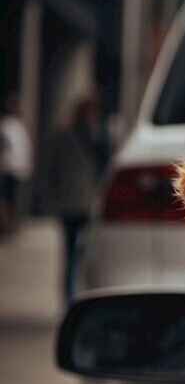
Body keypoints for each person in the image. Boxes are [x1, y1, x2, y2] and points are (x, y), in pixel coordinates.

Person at [45, 90, 108, 302]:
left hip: (74, 202)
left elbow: (51, 169)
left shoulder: (82, 135)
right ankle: (73, 296)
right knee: (77, 252)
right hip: (81, 203)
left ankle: (72, 296)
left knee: (74, 252)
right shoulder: (92, 135)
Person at [0, 93, 33, 234]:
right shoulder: (6, 125)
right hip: (10, 168)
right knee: (7, 198)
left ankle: (11, 223)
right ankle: (6, 225)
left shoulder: (20, 125)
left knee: (14, 199)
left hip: (20, 169)